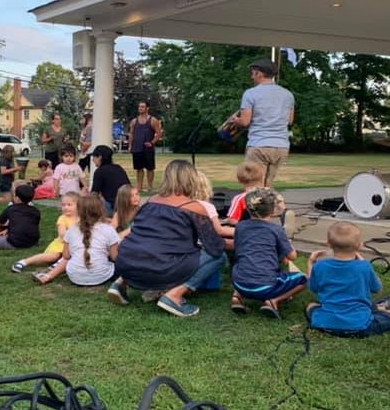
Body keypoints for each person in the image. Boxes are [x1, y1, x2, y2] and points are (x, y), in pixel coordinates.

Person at [109, 160, 226, 317]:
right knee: (219, 256)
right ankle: (174, 296)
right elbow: (214, 245)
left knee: (147, 246)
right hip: (161, 268)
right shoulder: (193, 207)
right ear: (191, 179)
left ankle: (121, 283)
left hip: (127, 263)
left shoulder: (150, 201)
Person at [305, 222, 390, 336]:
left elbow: (313, 288)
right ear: (359, 246)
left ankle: (379, 307)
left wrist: (311, 264)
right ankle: (379, 308)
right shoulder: (364, 266)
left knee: (311, 306)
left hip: (325, 324)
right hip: (360, 325)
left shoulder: (320, 266)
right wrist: (364, 263)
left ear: (328, 244)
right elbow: (377, 288)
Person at [230, 188, 306, 317]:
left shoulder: (240, 226)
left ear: (247, 208)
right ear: (273, 210)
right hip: (264, 287)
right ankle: (273, 301)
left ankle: (237, 296)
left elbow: (238, 248)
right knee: (304, 279)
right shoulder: (276, 229)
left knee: (243, 263)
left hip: (239, 283)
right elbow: (292, 256)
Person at [231, 59, 294, 188]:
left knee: (253, 186)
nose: (251, 76)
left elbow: (245, 122)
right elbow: (290, 120)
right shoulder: (288, 95)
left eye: (253, 73)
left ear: (259, 74)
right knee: (267, 186)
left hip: (259, 145)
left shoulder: (250, 94)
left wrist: (235, 120)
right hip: (281, 146)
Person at [34, 194, 119, 286]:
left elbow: (66, 256)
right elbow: (114, 257)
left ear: (79, 211)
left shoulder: (71, 230)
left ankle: (48, 276)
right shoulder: (109, 229)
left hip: (75, 276)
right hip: (102, 276)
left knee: (73, 258)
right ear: (101, 210)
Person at [12, 192, 79, 273]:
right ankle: (24, 262)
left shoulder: (82, 218)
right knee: (53, 256)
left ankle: (59, 264)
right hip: (62, 243)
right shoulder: (63, 218)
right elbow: (62, 234)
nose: (66, 207)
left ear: (78, 206)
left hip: (76, 245)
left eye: (69, 205)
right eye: (63, 205)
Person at [0, 184, 41, 250]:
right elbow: (30, 225)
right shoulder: (36, 211)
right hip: (33, 242)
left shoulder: (11, 209)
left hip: (14, 243)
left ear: (17, 198)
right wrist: (8, 230)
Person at [129, 101, 163, 193]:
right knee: (139, 169)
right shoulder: (134, 121)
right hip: (137, 148)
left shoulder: (153, 120)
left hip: (148, 149)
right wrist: (130, 146)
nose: (140, 108)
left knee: (150, 168)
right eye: (139, 107)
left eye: (142, 107)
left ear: (147, 108)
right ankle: (139, 187)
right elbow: (131, 134)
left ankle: (150, 187)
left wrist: (152, 142)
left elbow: (159, 133)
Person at [90, 145, 131, 215]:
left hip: (113, 207)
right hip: (127, 204)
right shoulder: (118, 168)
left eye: (94, 157)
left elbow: (94, 193)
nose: (93, 160)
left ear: (100, 157)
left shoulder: (99, 171)